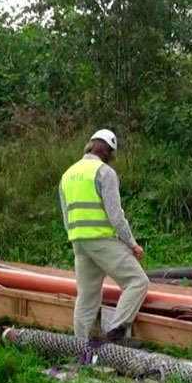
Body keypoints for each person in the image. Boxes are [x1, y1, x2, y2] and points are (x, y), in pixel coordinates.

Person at [58, 129, 148, 342]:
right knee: (137, 281)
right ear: (108, 151)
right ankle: (117, 331)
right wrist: (132, 244)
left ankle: (81, 348)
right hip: (101, 240)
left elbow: (65, 217)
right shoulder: (104, 172)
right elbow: (116, 216)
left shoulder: (68, 175)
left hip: (79, 242)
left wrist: (77, 239)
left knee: (87, 297)